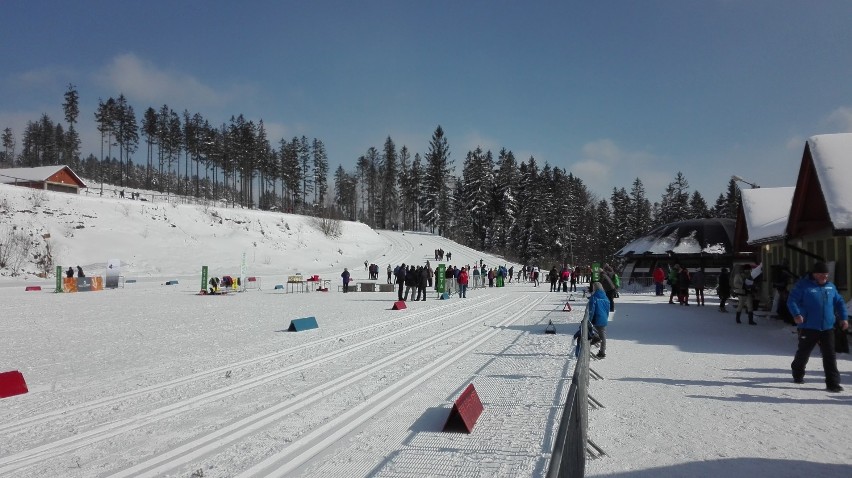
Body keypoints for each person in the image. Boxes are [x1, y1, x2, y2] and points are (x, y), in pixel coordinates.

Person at [787, 261, 849, 392]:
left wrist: (843, 318)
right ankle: (797, 372)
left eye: (826, 275)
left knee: (830, 355)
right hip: (808, 326)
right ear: (814, 274)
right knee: (803, 352)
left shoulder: (831, 287)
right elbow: (792, 300)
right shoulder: (803, 286)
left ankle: (833, 383)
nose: (824, 277)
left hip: (827, 327)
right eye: (821, 275)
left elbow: (839, 302)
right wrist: (797, 314)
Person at [588, 281, 611, 359]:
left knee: (590, 331)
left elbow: (591, 310)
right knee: (603, 335)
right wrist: (606, 317)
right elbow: (608, 310)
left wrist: (589, 320)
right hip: (604, 318)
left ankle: (594, 340)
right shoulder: (606, 298)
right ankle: (602, 351)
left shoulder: (594, 297)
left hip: (596, 318)